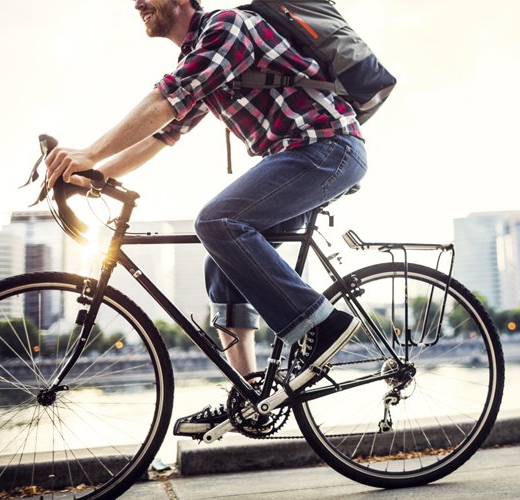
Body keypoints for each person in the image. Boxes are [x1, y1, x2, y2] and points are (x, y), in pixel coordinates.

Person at [45, 0, 367, 438]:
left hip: (326, 148)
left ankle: (322, 324)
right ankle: (252, 395)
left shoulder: (227, 27)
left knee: (217, 222)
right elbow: (161, 136)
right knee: (223, 254)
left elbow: (165, 98)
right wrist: (92, 175)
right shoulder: (199, 53)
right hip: (298, 156)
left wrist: (89, 152)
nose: (136, 3)